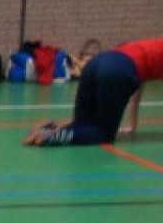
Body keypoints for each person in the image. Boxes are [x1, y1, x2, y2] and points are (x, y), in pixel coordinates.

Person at [24, 37, 163, 146]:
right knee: (103, 134)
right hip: (116, 70)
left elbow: (140, 82)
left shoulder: (151, 45)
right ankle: (58, 136)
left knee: (82, 122)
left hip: (95, 63)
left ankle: (50, 129)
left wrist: (132, 125)